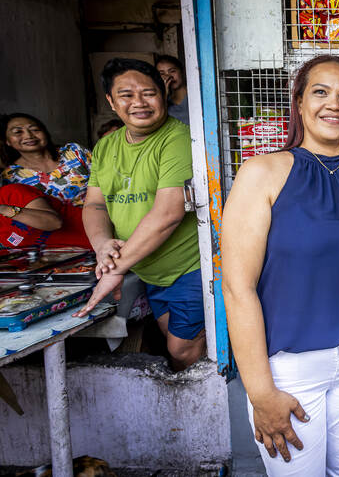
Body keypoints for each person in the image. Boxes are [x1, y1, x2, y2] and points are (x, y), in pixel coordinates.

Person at [221, 55, 339, 475]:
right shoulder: (262, 173)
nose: (334, 104)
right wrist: (260, 392)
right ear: (298, 103)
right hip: (290, 367)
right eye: (321, 92)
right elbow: (237, 288)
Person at [74, 58, 205, 371]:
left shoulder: (179, 139)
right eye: (126, 95)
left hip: (191, 267)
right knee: (171, 340)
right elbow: (94, 204)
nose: (139, 103)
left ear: (163, 93)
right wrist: (103, 245)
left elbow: (169, 213)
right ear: (111, 101)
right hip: (148, 269)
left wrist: (115, 269)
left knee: (182, 349)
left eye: (148, 93)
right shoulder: (106, 146)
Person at [1, 113, 92, 208]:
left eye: (34, 129)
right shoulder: (9, 177)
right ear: (7, 141)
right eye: (18, 132)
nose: (29, 135)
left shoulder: (74, 152)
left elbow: (105, 179)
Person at [0, 183, 62, 248]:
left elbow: (54, 223)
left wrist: (5, 210)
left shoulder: (9, 192)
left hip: (71, 248)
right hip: (53, 256)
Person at [156, 55, 189, 125]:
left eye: (172, 71)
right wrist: (164, 94)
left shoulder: (196, 95)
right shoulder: (163, 101)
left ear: (182, 71)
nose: (168, 76)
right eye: (162, 73)